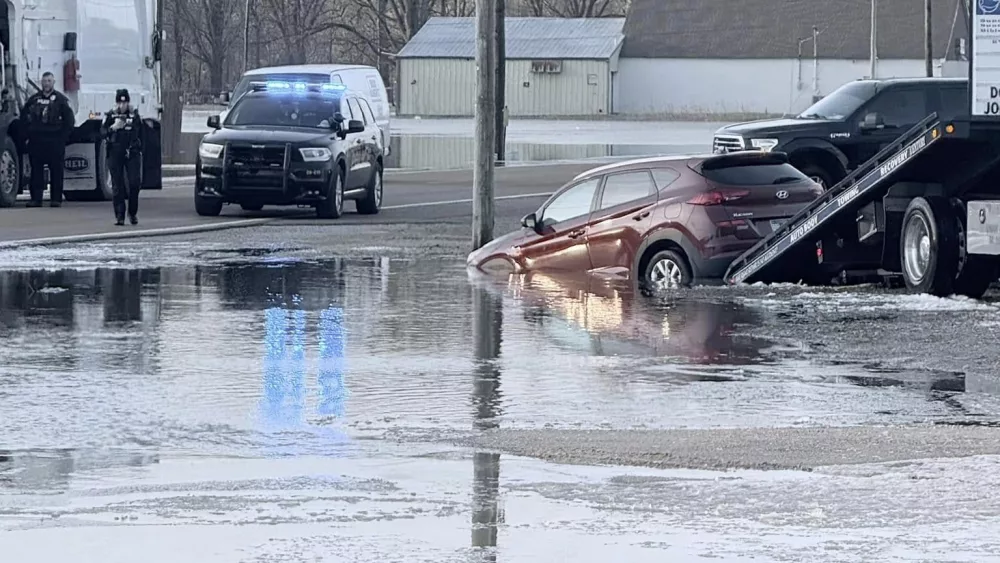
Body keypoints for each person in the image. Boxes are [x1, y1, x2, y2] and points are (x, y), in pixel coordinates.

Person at [20, 71, 75, 207]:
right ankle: (36, 199)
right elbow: (23, 119)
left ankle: (56, 199)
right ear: (41, 83)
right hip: (36, 141)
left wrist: (62, 139)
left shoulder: (61, 100)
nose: (46, 84)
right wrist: (27, 137)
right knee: (36, 171)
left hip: (55, 140)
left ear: (53, 82)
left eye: (49, 81)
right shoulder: (33, 100)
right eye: (44, 81)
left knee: (56, 170)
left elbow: (69, 121)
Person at [100, 89, 142, 225]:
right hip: (115, 152)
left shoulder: (134, 115)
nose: (122, 105)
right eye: (119, 102)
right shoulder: (111, 115)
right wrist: (113, 128)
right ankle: (120, 215)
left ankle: (132, 212)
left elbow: (141, 133)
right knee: (117, 185)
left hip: (132, 152)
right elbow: (102, 133)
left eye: (124, 102)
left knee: (134, 183)